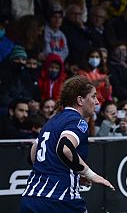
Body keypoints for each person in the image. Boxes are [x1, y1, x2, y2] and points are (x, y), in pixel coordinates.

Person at [20, 76, 115, 212]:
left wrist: (70, 172)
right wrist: (90, 174)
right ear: (80, 100)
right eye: (93, 96)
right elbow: (65, 148)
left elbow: (33, 157)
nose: (98, 102)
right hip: (59, 199)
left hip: (30, 197)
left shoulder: (50, 122)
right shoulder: (78, 121)